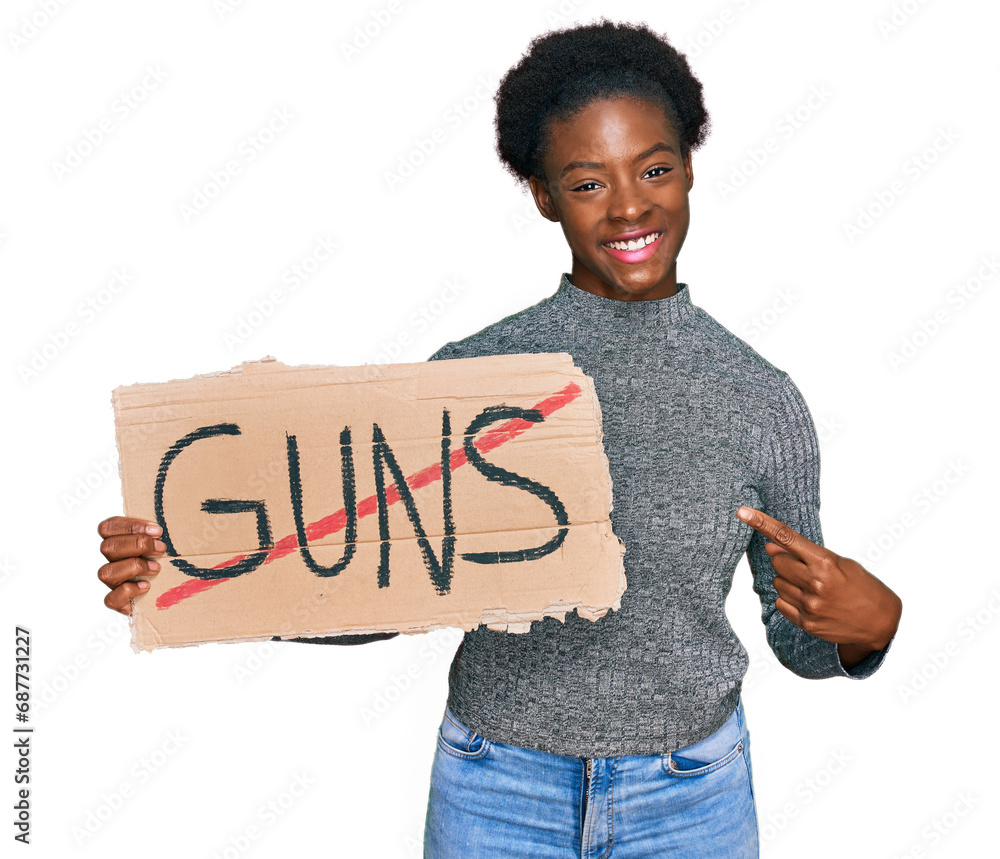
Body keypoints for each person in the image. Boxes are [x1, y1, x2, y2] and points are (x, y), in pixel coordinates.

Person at [97, 19, 903, 857]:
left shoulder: (762, 400)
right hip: (498, 790)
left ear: (690, 166)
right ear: (544, 194)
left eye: (654, 168)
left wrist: (866, 632)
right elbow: (383, 578)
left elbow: (799, 630)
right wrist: (208, 566)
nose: (630, 204)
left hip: (690, 798)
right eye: (588, 182)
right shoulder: (475, 377)